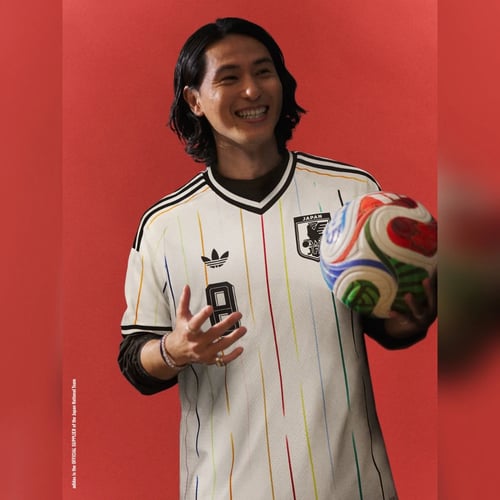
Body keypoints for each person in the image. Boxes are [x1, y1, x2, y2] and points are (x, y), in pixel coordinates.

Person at [118, 17, 436, 499]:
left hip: (352, 485)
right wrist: (174, 351)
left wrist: (415, 315)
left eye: (263, 72)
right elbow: (134, 361)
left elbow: (385, 325)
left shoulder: (353, 197)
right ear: (194, 100)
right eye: (229, 77)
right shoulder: (165, 225)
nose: (252, 90)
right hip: (226, 488)